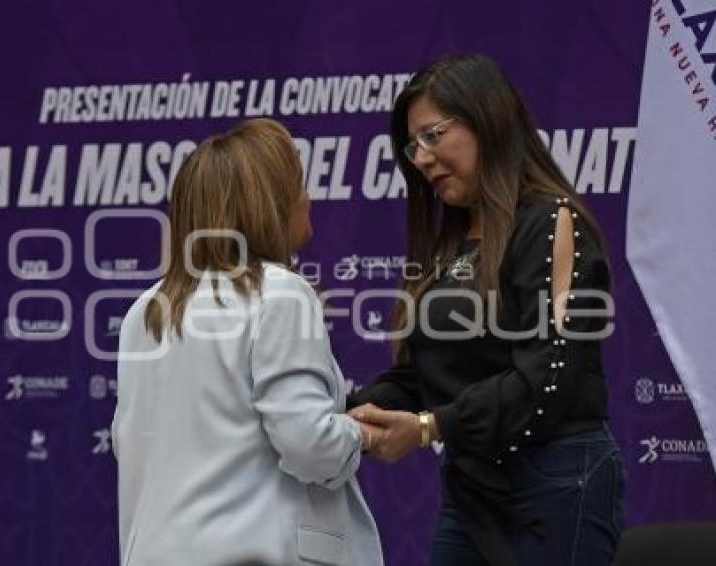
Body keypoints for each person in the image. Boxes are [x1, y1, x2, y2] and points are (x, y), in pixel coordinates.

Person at [348, 53, 624, 566]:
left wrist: (429, 428)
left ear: (488, 121)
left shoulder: (552, 222)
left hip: (557, 481)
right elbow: (420, 378)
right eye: (412, 146)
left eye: (433, 135)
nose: (421, 158)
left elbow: (547, 380)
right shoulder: (450, 245)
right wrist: (340, 414)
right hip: (472, 490)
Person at [112, 118, 384, 566]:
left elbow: (131, 444)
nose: (307, 198)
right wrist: (364, 434)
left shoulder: (144, 310)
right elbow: (309, 445)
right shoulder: (280, 293)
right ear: (269, 203)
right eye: (297, 185)